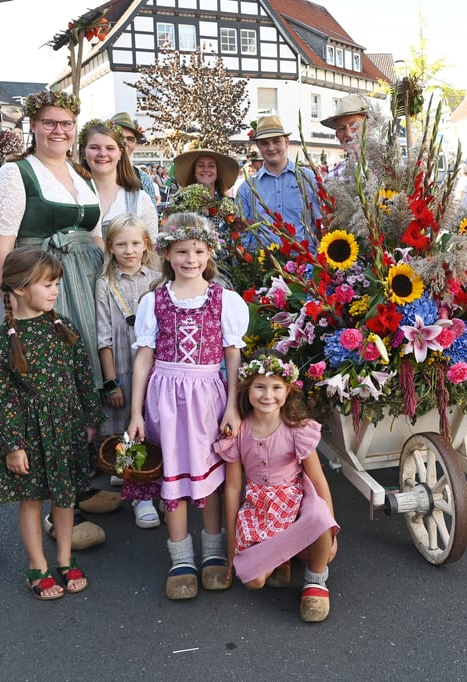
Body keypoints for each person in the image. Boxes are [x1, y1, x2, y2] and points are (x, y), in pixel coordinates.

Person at [0, 89, 119, 549]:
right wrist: (13, 301)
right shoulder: (15, 173)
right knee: (47, 381)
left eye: (66, 123)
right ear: (35, 126)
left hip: (82, 282)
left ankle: (77, 485)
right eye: (49, 122)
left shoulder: (80, 174)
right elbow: (1, 243)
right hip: (43, 283)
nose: (58, 130)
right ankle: (52, 502)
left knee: (79, 375)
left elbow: (95, 234)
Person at [127, 213, 249, 600]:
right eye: (181, 251)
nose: (190, 259)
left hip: (208, 396)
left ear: (209, 251)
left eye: (198, 250)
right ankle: (180, 556)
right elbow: (144, 358)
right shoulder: (154, 300)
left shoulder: (224, 300)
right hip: (165, 396)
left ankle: (213, 550)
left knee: (209, 477)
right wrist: (134, 413)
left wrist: (232, 405)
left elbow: (233, 356)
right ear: (167, 254)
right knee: (173, 476)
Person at [0, 248, 100, 600]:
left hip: (65, 426)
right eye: (47, 284)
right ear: (19, 289)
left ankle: (65, 559)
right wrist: (13, 444)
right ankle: (37, 565)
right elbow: (1, 396)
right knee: (31, 499)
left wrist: (90, 418)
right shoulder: (5, 338)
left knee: (65, 498)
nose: (55, 291)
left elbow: (83, 374)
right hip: (30, 433)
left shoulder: (62, 326)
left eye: (57, 284)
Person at [215, 353, 339, 623]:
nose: (267, 395)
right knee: (254, 581)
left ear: (288, 389)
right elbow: (234, 487)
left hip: (294, 500)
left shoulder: (297, 428)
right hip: (259, 507)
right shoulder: (238, 432)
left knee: (318, 515)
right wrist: (231, 547)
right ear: (247, 388)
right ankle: (281, 557)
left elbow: (318, 481)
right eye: (260, 386)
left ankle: (316, 580)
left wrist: (331, 529)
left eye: (276, 387)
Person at [94, 213, 162, 529]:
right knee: (127, 427)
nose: (129, 250)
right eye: (121, 244)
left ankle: (152, 479)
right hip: (123, 365)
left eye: (135, 243)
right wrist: (110, 381)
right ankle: (138, 493)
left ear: (146, 244)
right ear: (111, 247)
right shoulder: (105, 284)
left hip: (156, 367)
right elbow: (103, 336)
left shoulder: (158, 278)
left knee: (153, 423)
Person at [236, 115, 320, 249]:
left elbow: (321, 224)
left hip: (306, 264)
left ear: (286, 142)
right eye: (264, 143)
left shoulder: (307, 178)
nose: (271, 148)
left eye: (276, 141)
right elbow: (241, 234)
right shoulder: (247, 188)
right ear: (258, 146)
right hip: (263, 265)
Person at [78, 118, 159, 243]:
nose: (102, 154)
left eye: (110, 148)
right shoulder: (72, 194)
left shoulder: (140, 200)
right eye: (94, 148)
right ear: (83, 151)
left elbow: (151, 250)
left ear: (120, 153)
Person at [321, 94, 369, 179]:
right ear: (337, 135)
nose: (348, 133)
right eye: (342, 128)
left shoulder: (389, 169)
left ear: (368, 127)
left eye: (354, 125)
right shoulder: (331, 178)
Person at [109, 112, 157, 198]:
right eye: (119, 137)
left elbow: (151, 210)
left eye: (130, 139)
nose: (124, 143)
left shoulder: (143, 179)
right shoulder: (95, 175)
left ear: (135, 144)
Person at [171, 147, 240, 198]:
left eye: (211, 166)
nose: (206, 169)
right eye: (201, 165)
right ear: (194, 172)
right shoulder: (179, 204)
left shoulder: (230, 206)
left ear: (217, 173)